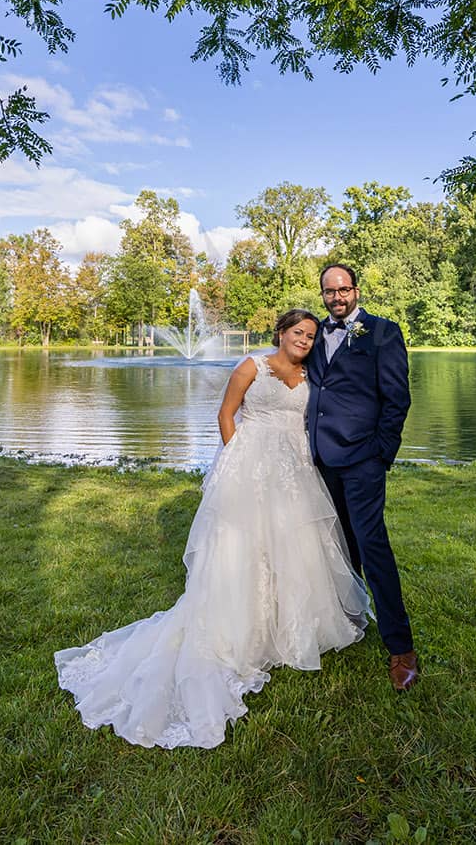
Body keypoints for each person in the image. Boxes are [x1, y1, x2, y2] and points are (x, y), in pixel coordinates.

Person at [54, 309, 369, 749]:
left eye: (311, 336)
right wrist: (236, 464)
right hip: (251, 466)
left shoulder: (310, 374)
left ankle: (291, 626)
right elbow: (227, 414)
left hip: (295, 470)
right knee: (244, 548)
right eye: (298, 332)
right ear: (281, 333)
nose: (304, 340)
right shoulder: (252, 366)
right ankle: (240, 631)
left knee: (297, 546)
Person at [306, 263, 419, 691]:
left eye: (343, 289)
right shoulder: (314, 333)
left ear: (356, 290)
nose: (337, 297)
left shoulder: (383, 332)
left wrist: (380, 455)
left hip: (362, 460)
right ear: (323, 295)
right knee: (337, 544)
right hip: (320, 460)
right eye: (329, 292)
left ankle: (401, 647)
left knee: (372, 546)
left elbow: (397, 400)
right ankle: (347, 620)